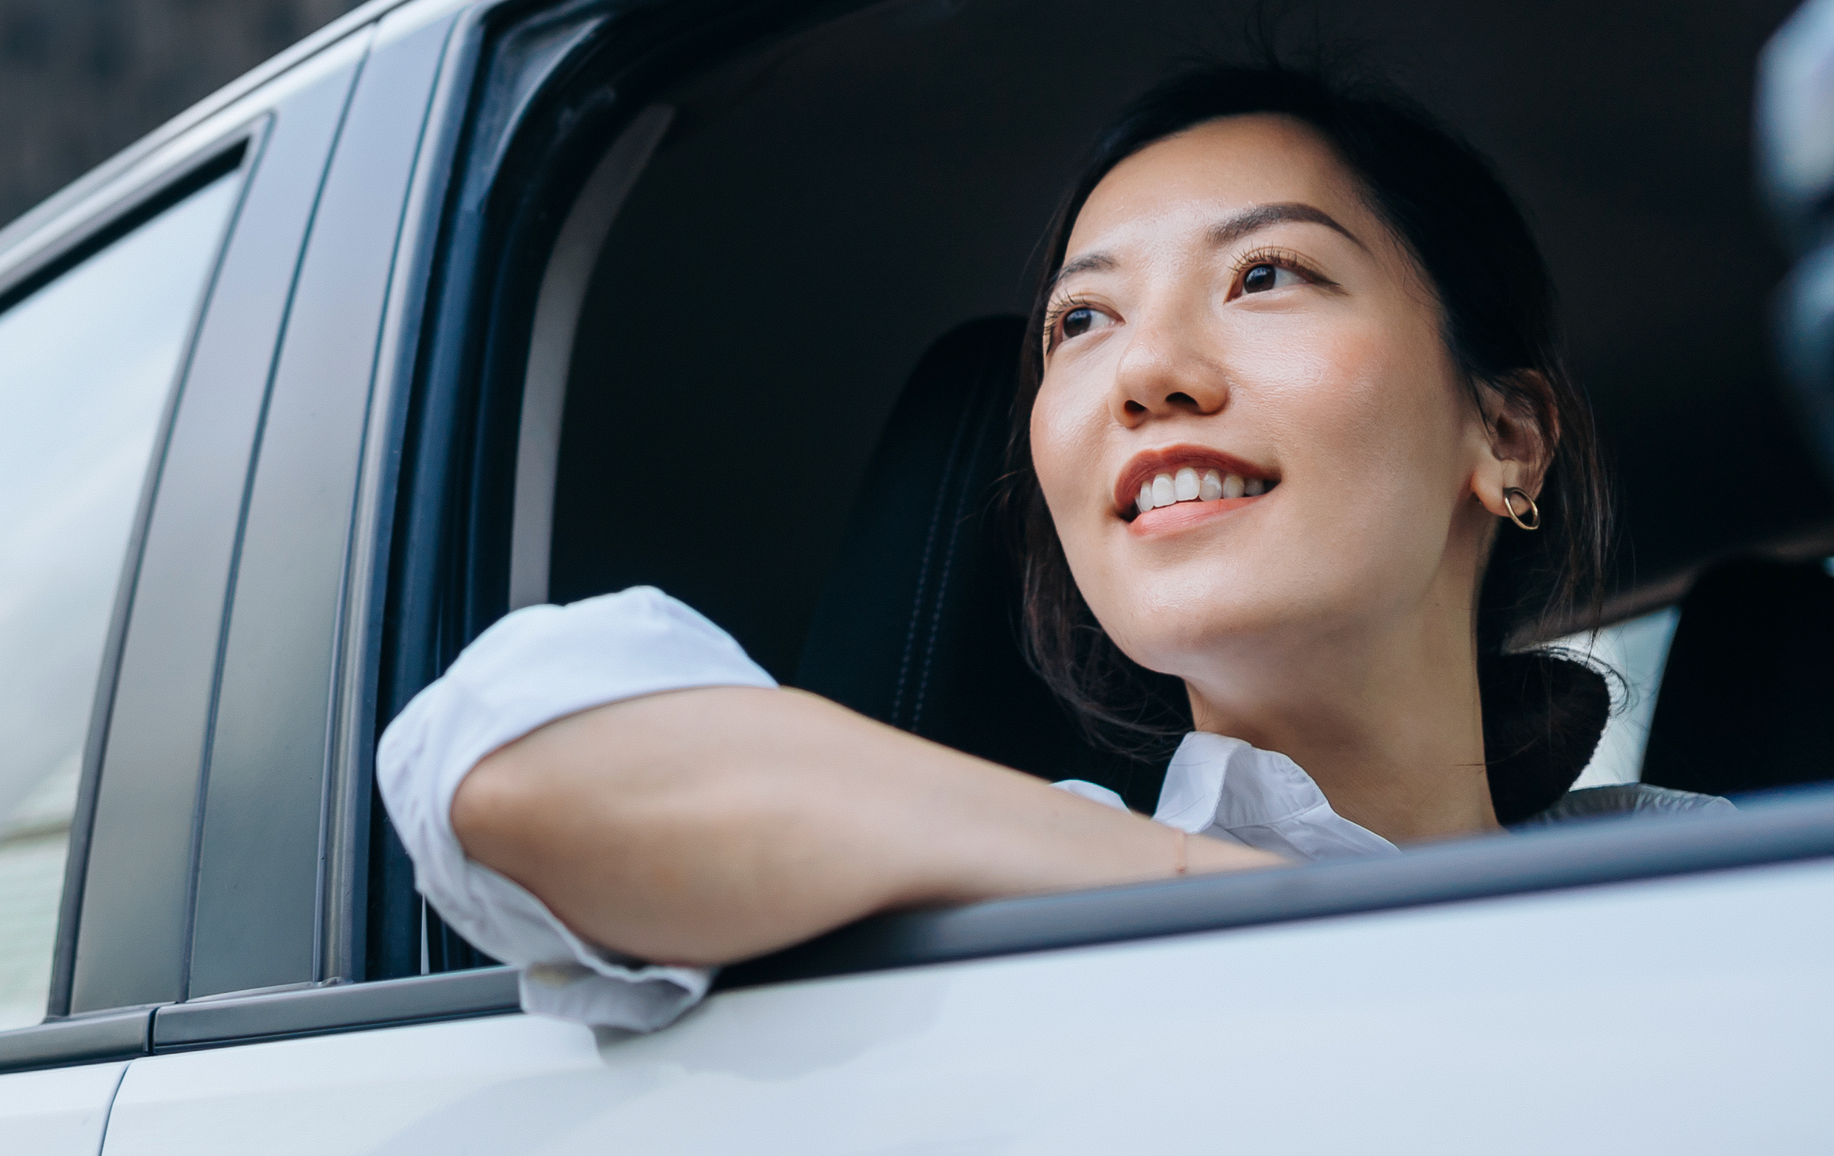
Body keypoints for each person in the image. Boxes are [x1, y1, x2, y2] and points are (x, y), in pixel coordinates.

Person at [378, 60, 1727, 1030]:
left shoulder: (1730, 887)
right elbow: (503, 765)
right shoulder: (1001, 898)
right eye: (1081, 323)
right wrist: (1216, 900)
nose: (1148, 371)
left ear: (1507, 440)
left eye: (1265, 275)